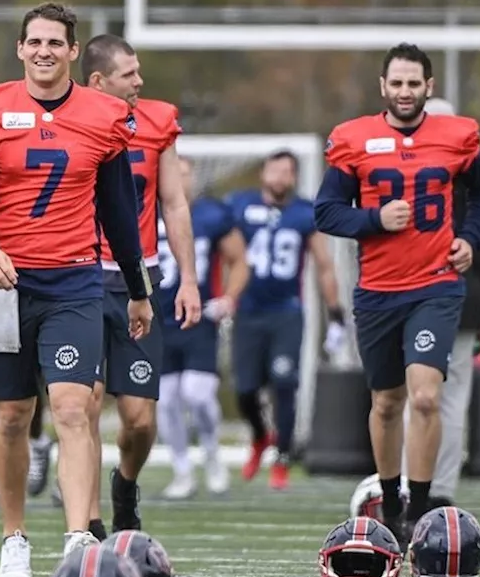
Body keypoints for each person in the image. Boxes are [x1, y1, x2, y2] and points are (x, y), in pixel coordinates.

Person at [0, 1, 152, 577]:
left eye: (54, 43)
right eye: (33, 42)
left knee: (71, 406)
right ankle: (14, 537)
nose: (43, 51)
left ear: (70, 50)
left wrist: (137, 289)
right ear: (20, 49)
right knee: (14, 414)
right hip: (7, 282)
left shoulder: (105, 116)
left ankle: (77, 540)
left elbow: (118, 213)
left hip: (74, 281)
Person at [314, 43, 480, 545]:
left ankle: (421, 509)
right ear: (383, 86)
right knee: (387, 401)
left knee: (425, 397)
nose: (404, 92)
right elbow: (327, 211)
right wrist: (374, 218)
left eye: (413, 84)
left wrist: (470, 239)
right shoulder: (354, 138)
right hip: (377, 291)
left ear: (429, 87)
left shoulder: (457, 135)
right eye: (396, 83)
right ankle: (391, 499)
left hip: (436, 287)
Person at [80, 34, 201, 536]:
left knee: (139, 420)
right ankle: (85, 523)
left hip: (137, 283)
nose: (139, 81)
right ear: (97, 81)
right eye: (129, 74)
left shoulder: (156, 121)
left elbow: (173, 203)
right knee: (80, 406)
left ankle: (124, 485)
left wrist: (189, 279)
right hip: (78, 279)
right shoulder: (66, 119)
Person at [400, 97, 480, 507]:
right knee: (444, 398)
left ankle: (413, 485)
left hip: (421, 298)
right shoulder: (474, 181)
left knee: (418, 396)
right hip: (457, 302)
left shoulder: (404, 176)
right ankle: (438, 488)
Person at [227, 149, 344, 491]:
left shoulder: (304, 212)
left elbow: (324, 265)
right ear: (263, 173)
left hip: (286, 312)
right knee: (245, 389)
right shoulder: (240, 207)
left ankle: (282, 455)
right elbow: (224, 252)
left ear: (294, 176)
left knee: (284, 383)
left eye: (287, 171)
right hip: (247, 311)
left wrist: (335, 314)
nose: (280, 177)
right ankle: (261, 436)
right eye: (275, 170)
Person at [155, 157, 248, 499]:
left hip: (196, 317)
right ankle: (182, 471)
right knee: (165, 402)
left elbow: (240, 260)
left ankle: (211, 454)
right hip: (157, 318)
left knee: (197, 393)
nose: (179, 180)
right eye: (173, 174)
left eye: (184, 174)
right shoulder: (144, 212)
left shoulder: (211, 215)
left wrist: (229, 299)